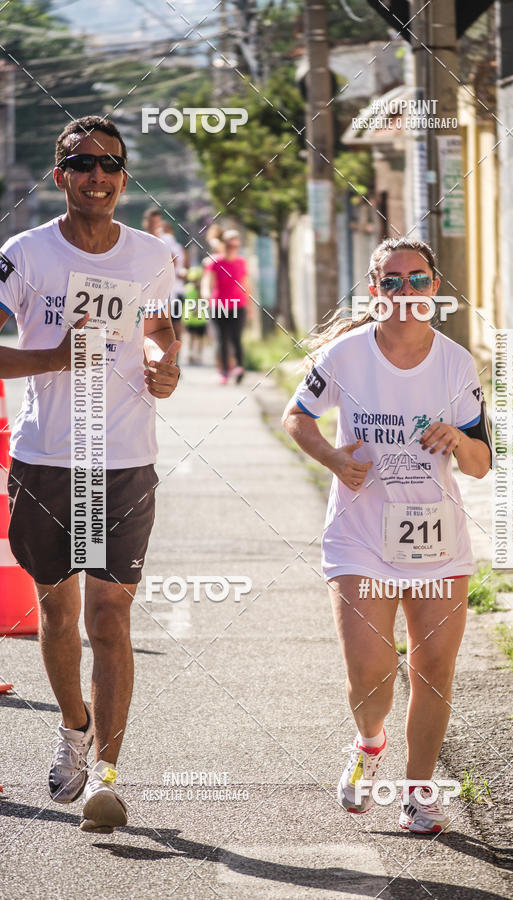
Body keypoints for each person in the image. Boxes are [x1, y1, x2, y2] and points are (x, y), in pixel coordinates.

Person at [0, 115, 180, 834]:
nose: (96, 176)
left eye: (109, 164)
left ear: (124, 177)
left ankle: (106, 771)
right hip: (46, 460)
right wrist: (53, 358)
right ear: (61, 176)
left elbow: (164, 326)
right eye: (82, 164)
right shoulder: (24, 255)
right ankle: (72, 728)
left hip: (127, 460)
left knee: (112, 616)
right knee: (58, 614)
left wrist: (167, 365)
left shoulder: (153, 255)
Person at [282, 237, 492, 834]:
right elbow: (296, 415)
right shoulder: (347, 356)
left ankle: (420, 792)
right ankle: (369, 743)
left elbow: (481, 463)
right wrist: (331, 457)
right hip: (360, 534)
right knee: (371, 671)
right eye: (392, 282)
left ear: (435, 289)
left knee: (434, 671)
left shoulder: (455, 362)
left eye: (417, 281)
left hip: (438, 537)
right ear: (374, 290)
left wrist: (457, 436)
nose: (405, 293)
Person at [205, 229, 249, 385]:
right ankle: (224, 371)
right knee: (222, 339)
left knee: (236, 338)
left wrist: (250, 308)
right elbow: (207, 285)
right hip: (219, 306)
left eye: (235, 244)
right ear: (224, 244)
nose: (232, 247)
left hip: (239, 305)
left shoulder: (241, 262)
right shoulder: (214, 262)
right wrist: (206, 298)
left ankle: (239, 368)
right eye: (229, 244)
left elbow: (245, 285)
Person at [142, 209, 187, 342]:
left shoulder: (166, 241)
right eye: (151, 222)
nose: (154, 225)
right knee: (145, 326)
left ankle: (174, 358)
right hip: (145, 290)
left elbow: (175, 260)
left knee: (171, 324)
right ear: (145, 223)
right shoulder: (140, 239)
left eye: (157, 222)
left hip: (167, 291)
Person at [182, 266, 208, 365]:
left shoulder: (201, 290)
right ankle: (191, 355)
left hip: (200, 318)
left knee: (199, 338)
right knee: (192, 337)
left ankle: (197, 356)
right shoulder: (187, 288)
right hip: (191, 318)